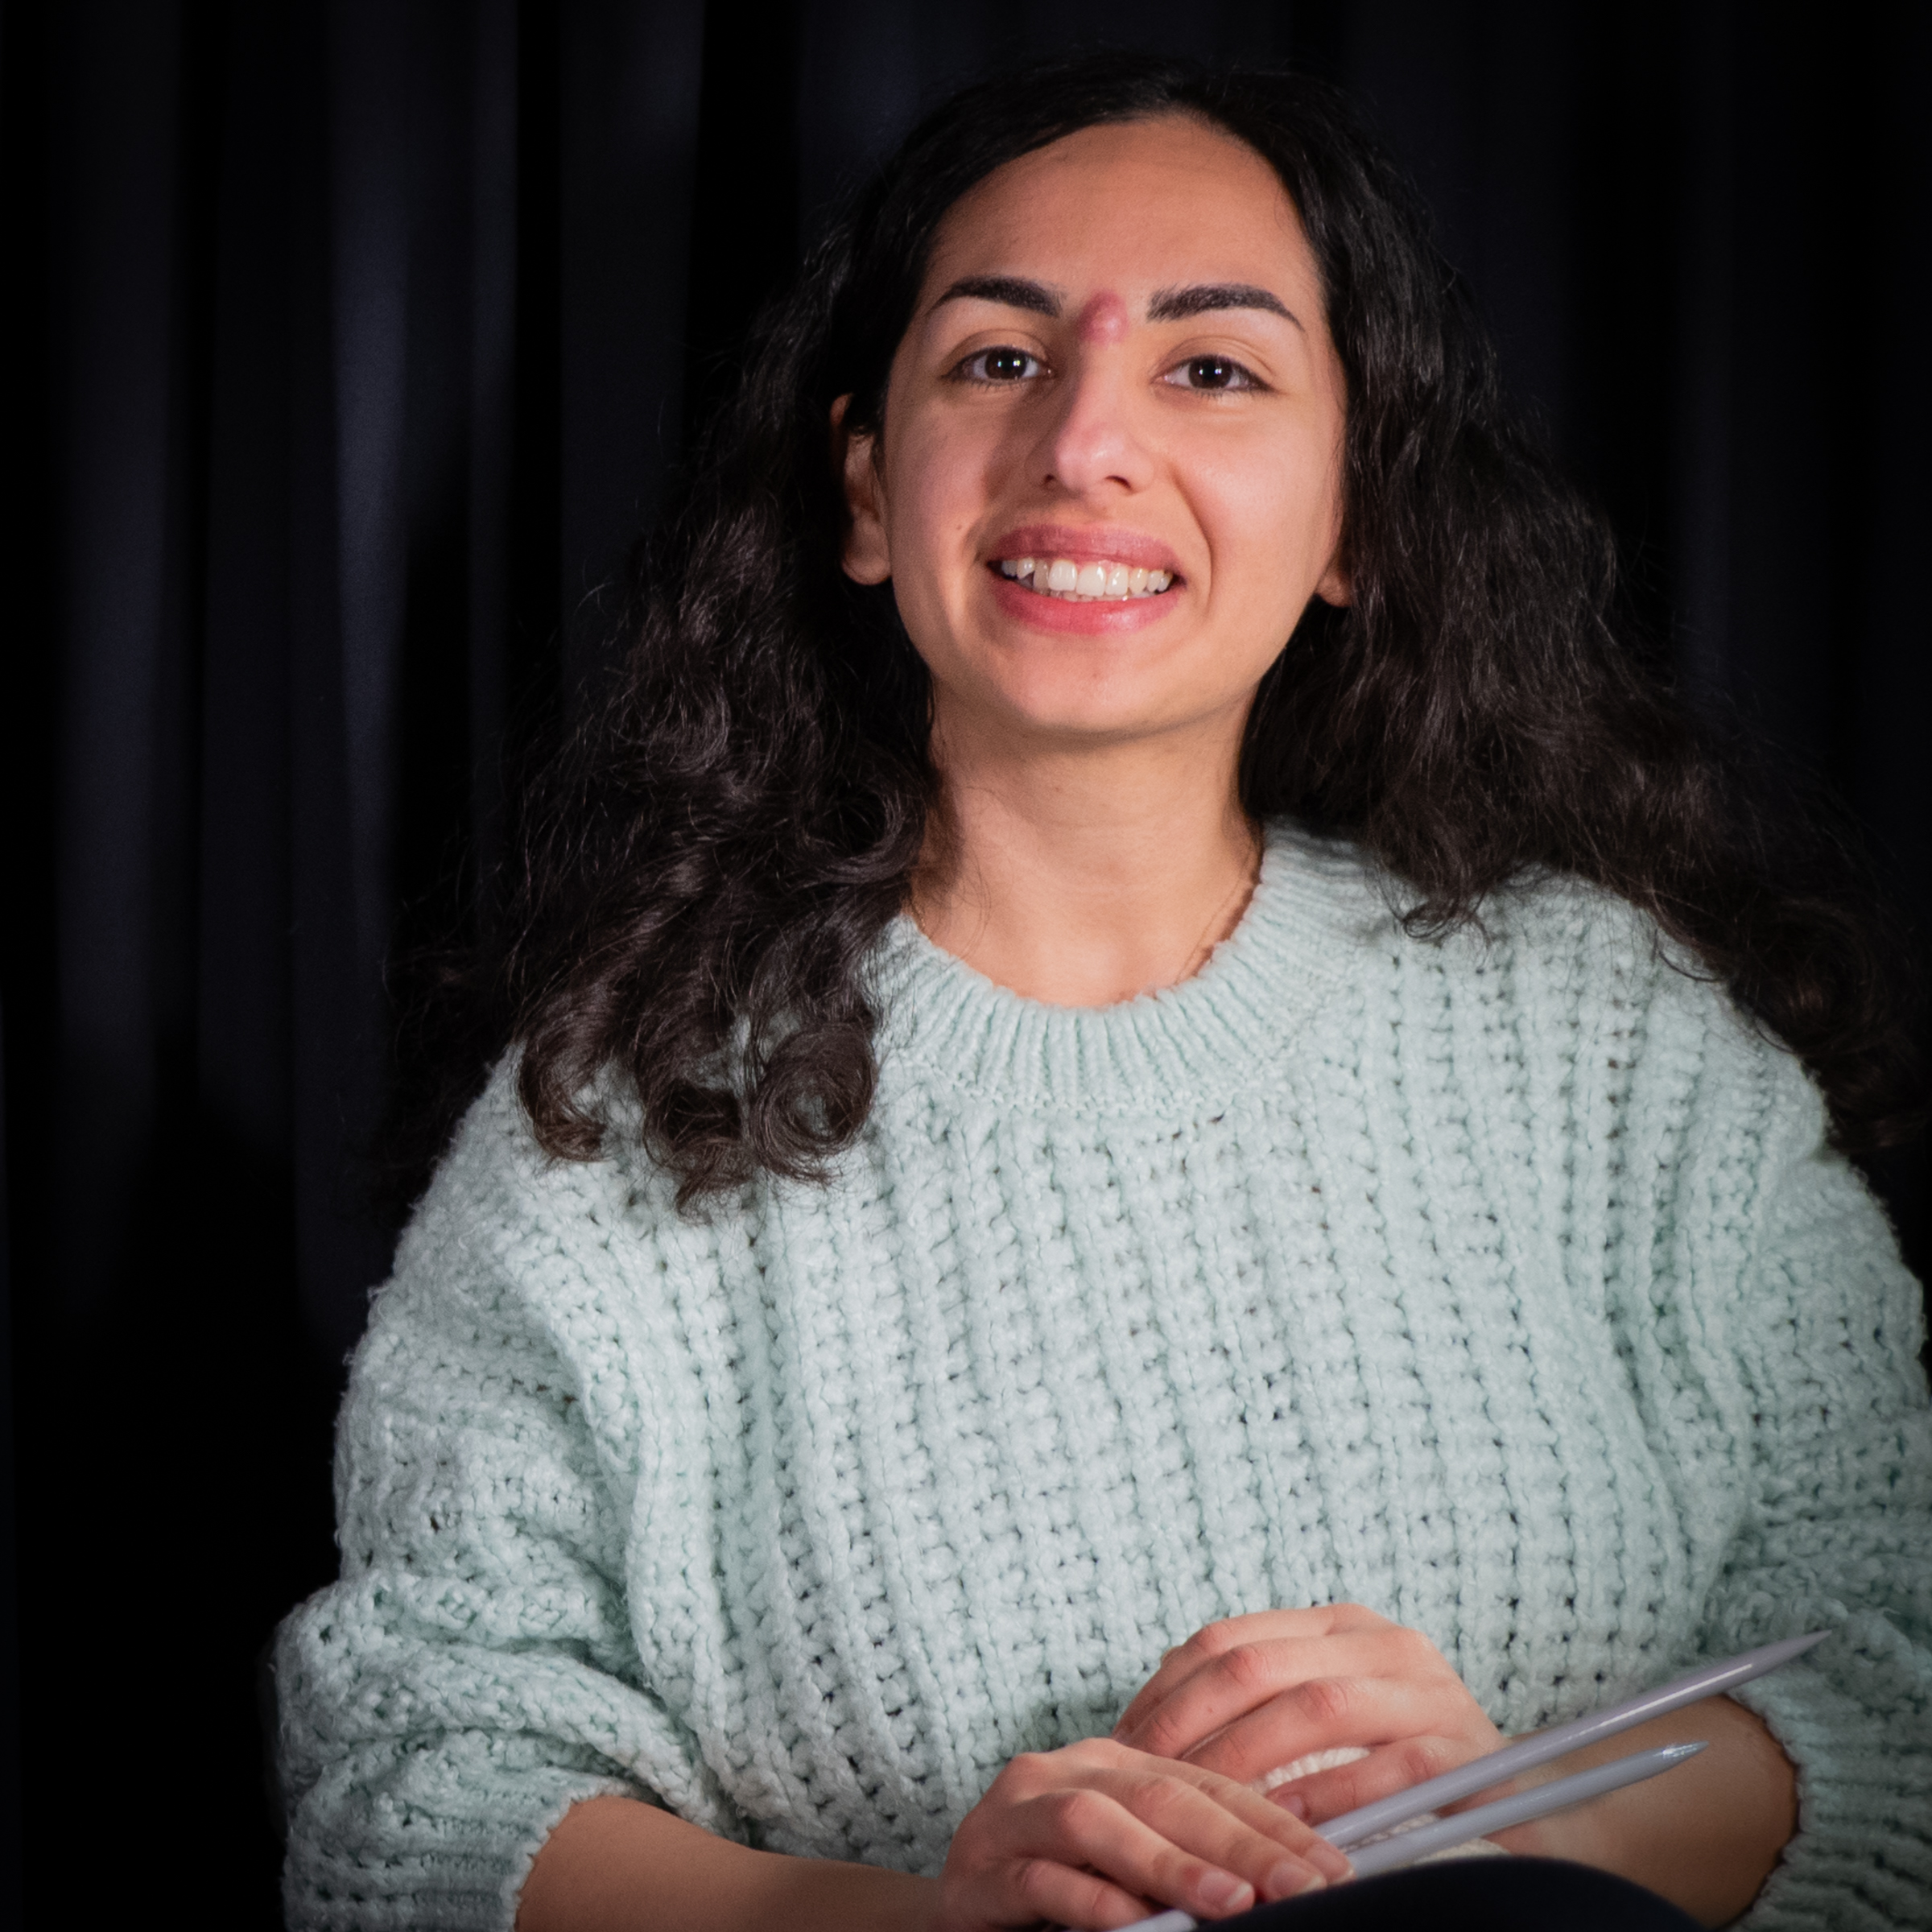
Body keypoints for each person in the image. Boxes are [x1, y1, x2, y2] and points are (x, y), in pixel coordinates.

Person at [273, 52, 1931, 1932]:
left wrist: (1546, 1846)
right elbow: (412, 1784)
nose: (1081, 445)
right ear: (866, 490)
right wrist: (922, 1924)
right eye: (999, 358)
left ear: (1358, 518)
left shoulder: (1621, 1049)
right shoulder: (618, 1126)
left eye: (1212, 370)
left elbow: (1893, 1635)